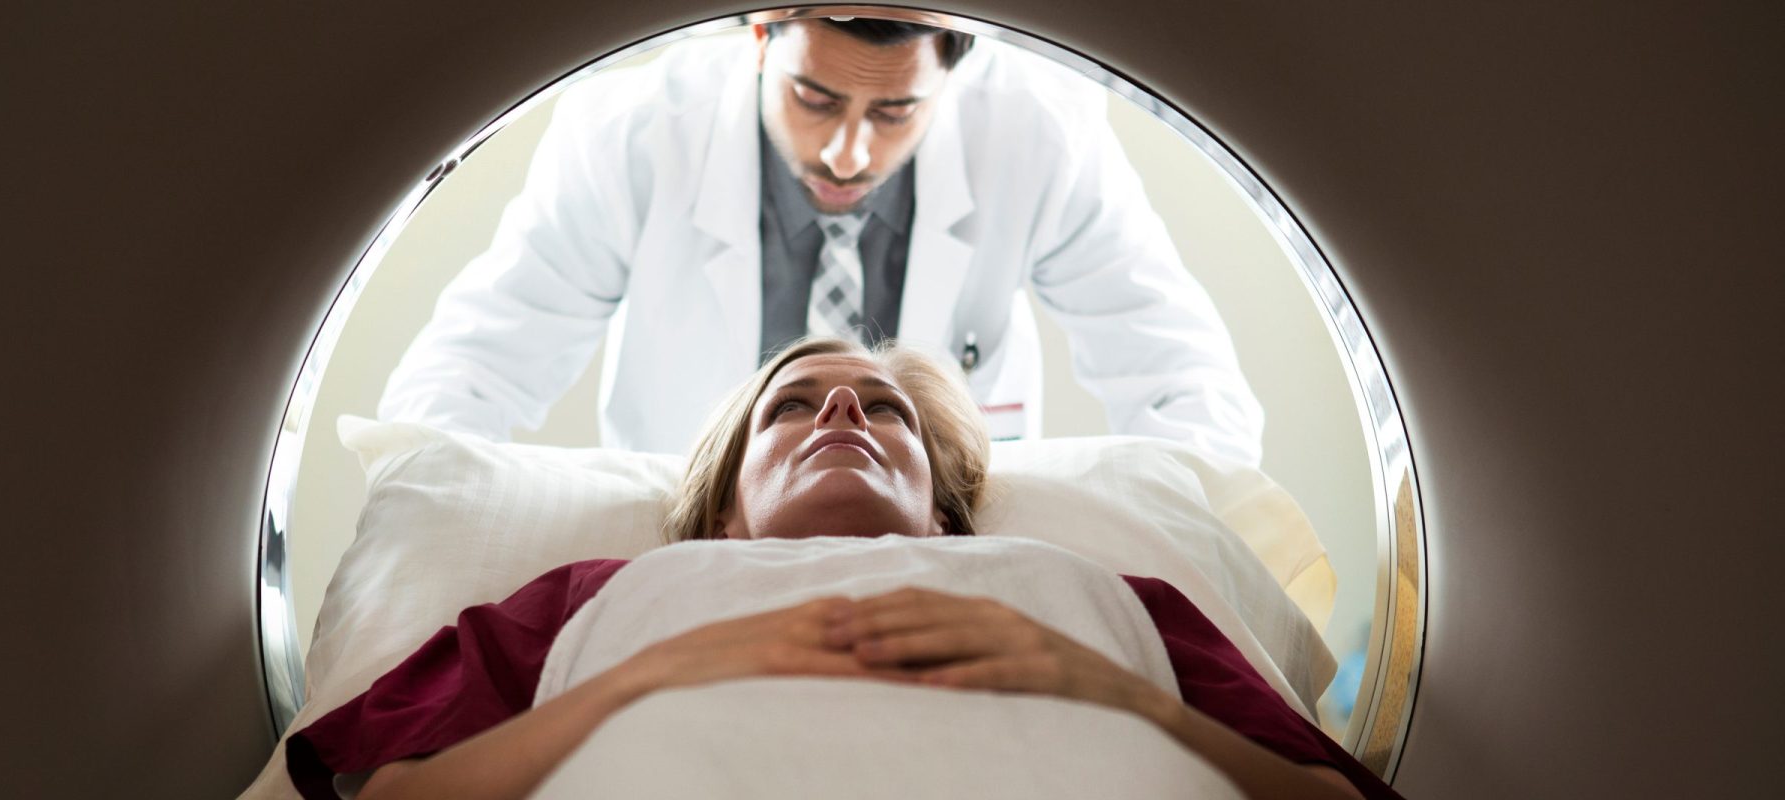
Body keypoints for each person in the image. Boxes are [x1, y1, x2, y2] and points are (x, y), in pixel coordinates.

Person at [289, 338, 1398, 799]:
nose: (840, 409)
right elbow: (385, 793)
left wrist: (1108, 687)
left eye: (883, 409)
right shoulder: (594, 593)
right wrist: (642, 674)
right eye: (793, 403)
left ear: (943, 515)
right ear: (723, 512)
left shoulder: (1106, 596)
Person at [378, 15, 1265, 464]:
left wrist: (1138, 565)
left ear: (957, 69)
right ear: (760, 38)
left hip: (946, 565)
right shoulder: (634, 136)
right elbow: (466, 376)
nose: (848, 151)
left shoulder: (1038, 136)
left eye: (894, 110)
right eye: (815, 98)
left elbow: (1189, 389)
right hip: (689, 562)